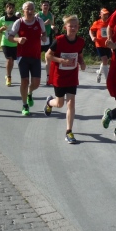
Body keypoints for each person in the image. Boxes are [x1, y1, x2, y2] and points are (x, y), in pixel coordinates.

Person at [44, 15, 86, 144]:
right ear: (65, 27)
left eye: (75, 26)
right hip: (60, 76)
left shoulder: (80, 41)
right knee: (60, 104)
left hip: (72, 76)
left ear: (78, 27)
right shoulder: (59, 40)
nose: (73, 28)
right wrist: (61, 60)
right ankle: (49, 102)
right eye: (70, 26)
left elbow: (79, 54)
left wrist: (82, 62)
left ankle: (69, 131)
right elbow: (48, 55)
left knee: (71, 103)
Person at [8, 1, 47, 116]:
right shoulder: (18, 22)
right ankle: (25, 105)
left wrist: (43, 37)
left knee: (36, 83)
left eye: (32, 9)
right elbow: (10, 37)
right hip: (22, 56)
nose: (30, 11)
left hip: (36, 56)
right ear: (23, 11)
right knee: (24, 81)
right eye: (27, 9)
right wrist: (18, 39)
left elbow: (44, 33)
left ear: (34, 10)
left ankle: (30, 92)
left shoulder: (39, 21)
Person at [0, 2, 19, 86]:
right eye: (9, 8)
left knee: (12, 60)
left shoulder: (17, 19)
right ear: (6, 9)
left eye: (12, 8)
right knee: (9, 59)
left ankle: (8, 74)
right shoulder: (2, 19)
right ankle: (9, 77)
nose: (11, 9)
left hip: (14, 42)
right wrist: (0, 29)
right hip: (5, 42)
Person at [89, 7, 111, 83]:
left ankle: (99, 72)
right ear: (100, 15)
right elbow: (91, 30)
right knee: (105, 59)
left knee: (105, 61)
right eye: (104, 14)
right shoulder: (97, 23)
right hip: (99, 44)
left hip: (108, 44)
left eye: (107, 14)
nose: (106, 16)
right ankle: (108, 80)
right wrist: (92, 37)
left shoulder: (110, 22)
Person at [37, 0, 57, 85]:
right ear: (41, 6)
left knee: (48, 58)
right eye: (44, 5)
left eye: (47, 5)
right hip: (39, 38)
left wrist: (54, 28)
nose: (46, 7)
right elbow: (35, 26)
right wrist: (44, 24)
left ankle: (48, 77)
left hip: (48, 38)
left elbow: (52, 24)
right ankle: (36, 77)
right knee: (36, 59)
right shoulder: (38, 15)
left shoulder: (51, 15)